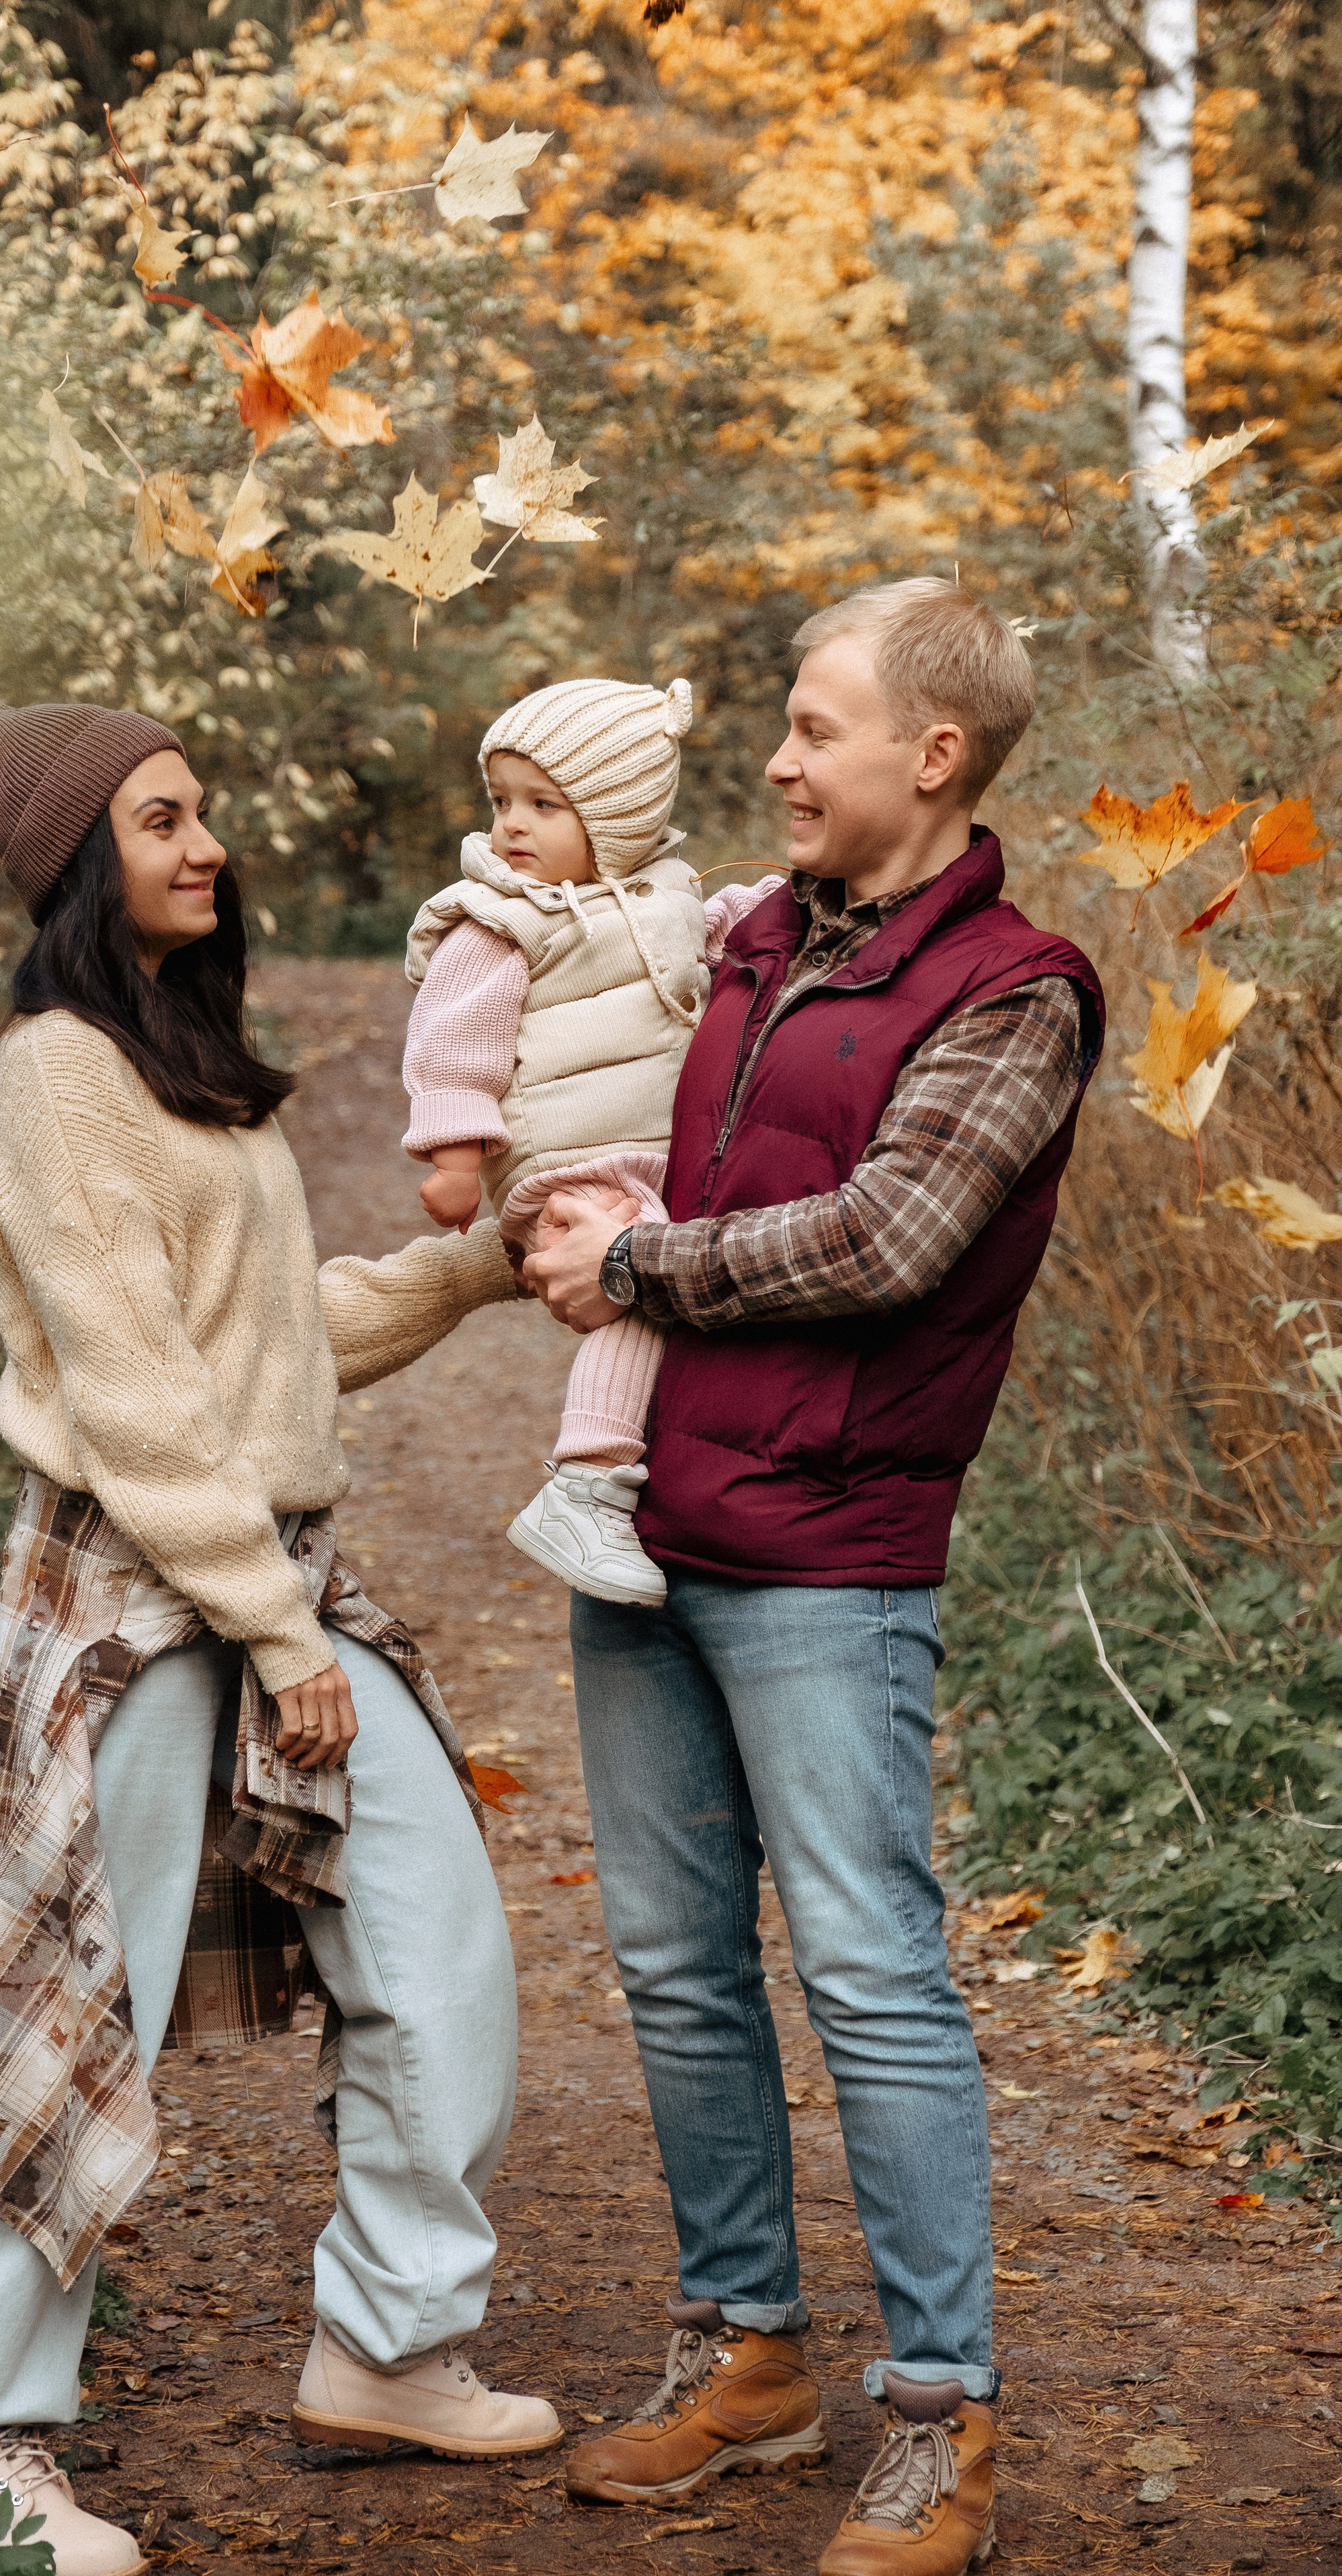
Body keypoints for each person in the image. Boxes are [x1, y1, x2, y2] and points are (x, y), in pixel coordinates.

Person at [0, 700, 560, 2576]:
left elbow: (257, 1346)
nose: (208, 845)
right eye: (165, 817)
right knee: (63, 1996)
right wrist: (277, 1636)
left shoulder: (177, 1063)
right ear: (76, 858)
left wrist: (467, 1270)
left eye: (206, 809)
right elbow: (131, 1394)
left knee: (440, 1944)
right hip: (133, 1596)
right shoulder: (52, 1073)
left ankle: (393, 2345)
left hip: (263, 1577)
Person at [522, 583, 1105, 2576]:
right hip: (647, 1530)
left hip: (831, 1552)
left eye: (812, 725)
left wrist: (640, 1269)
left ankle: (941, 2422)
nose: (777, 758)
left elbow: (894, 1238)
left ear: (931, 756)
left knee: (867, 1974)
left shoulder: (1020, 986)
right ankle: (747, 2357)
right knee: (680, 1975)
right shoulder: (748, 942)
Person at [402, 674, 773, 1609]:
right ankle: (588, 1485)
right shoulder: (501, 919)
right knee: (640, 1284)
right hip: (571, 1162)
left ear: (619, 821)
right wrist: (452, 1160)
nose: (511, 826)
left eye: (543, 804)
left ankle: (621, 1475)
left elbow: (704, 945)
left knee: (674, 1280)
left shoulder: (658, 896)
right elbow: (455, 1042)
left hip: (642, 1155)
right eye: (501, 803)